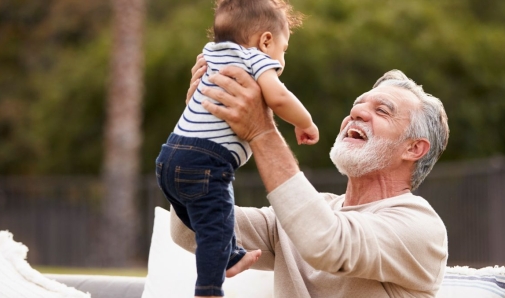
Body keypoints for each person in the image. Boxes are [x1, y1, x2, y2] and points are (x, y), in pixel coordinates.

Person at [170, 61, 450, 297]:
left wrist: (261, 130)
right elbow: (190, 230)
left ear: (413, 148)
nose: (356, 113)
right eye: (357, 105)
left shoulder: (421, 226)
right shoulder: (313, 212)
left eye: (382, 111)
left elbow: (326, 243)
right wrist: (200, 129)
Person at [155, 0, 318, 297]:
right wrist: (305, 123)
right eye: (284, 49)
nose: (282, 58)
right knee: (214, 229)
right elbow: (279, 98)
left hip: (168, 158)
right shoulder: (255, 59)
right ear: (266, 40)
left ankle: (230, 254)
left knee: (211, 217)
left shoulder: (210, 53)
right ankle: (208, 290)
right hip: (206, 161)